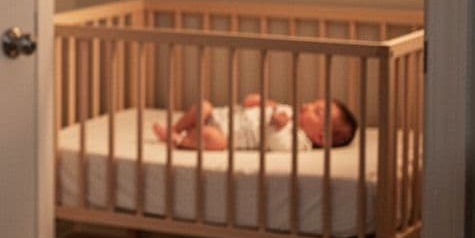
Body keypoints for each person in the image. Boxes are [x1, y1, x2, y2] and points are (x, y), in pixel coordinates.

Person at [152, 93, 357, 152]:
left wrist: (278, 127)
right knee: (203, 105)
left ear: (320, 137)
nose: (309, 106)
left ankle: (181, 141)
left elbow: (276, 145)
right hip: (222, 116)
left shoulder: (299, 141)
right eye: (314, 103)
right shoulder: (287, 111)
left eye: (317, 112)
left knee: (215, 140)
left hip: (228, 135)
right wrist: (259, 101)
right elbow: (251, 103)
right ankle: (175, 128)